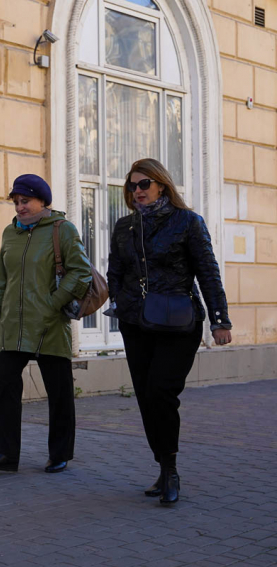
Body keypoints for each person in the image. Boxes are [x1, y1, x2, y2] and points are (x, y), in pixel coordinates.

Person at [107, 158, 232, 505]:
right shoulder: (124, 227)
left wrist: (220, 320)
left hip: (179, 322)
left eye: (144, 184)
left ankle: (172, 468)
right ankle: (162, 468)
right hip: (136, 323)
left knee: (162, 392)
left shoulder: (187, 222)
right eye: (132, 186)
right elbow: (114, 270)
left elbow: (208, 271)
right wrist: (120, 301)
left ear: (162, 184)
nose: (137, 191)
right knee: (147, 397)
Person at [0, 174, 93, 474]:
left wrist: (51, 304)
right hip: (12, 326)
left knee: (59, 393)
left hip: (49, 326)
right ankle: (5, 454)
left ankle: (59, 454)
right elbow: (0, 279)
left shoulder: (62, 230)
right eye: (16, 202)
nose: (19, 207)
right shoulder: (10, 233)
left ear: (42, 201)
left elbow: (80, 273)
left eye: (25, 201)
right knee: (4, 388)